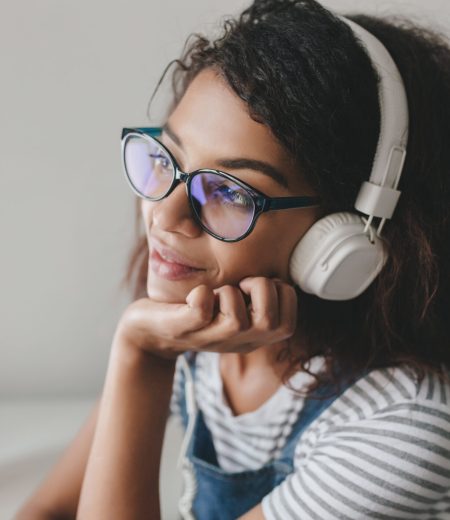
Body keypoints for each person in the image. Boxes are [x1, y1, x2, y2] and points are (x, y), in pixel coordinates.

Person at [15, 0, 450, 519]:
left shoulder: (402, 427)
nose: (164, 216)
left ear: (345, 238)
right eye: (168, 160)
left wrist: (143, 357)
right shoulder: (207, 328)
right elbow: (45, 512)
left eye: (229, 191)